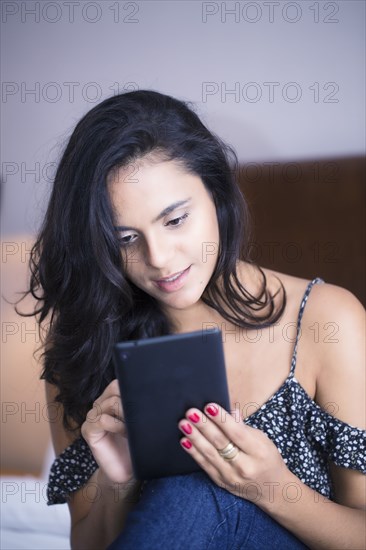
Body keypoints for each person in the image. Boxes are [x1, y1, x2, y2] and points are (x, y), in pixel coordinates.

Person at [19, 90, 365, 549]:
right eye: (125, 238)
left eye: (176, 220)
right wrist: (117, 477)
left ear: (216, 192)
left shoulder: (326, 320)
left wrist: (272, 489)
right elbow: (90, 543)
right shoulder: (84, 346)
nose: (159, 259)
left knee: (198, 484)